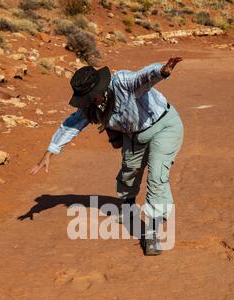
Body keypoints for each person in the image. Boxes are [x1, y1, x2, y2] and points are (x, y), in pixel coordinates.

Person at [31, 57, 184, 255]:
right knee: (129, 173)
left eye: (90, 97)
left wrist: (161, 71)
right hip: (134, 135)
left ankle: (152, 231)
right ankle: (128, 206)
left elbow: (142, 77)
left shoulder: (121, 82)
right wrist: (50, 151)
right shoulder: (91, 106)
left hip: (164, 127)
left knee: (157, 178)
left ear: (100, 88)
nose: (88, 102)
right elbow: (71, 124)